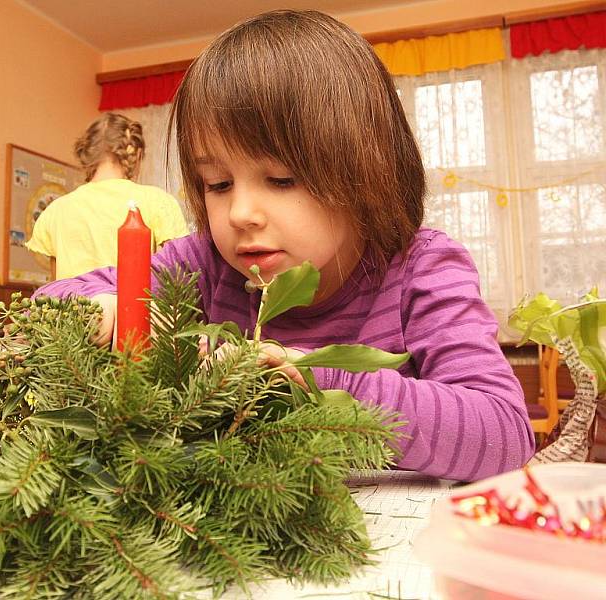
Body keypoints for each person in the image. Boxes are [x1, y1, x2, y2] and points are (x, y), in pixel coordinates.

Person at [34, 10, 534, 481]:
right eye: (217, 184)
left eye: (281, 178)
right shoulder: (204, 264)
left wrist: (315, 380)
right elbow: (46, 306)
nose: (239, 214)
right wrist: (100, 307)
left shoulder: (421, 268)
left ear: (368, 172)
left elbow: (504, 434)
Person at [25, 112, 189, 280]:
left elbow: (56, 289)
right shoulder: (158, 202)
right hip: (134, 306)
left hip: (77, 305)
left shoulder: (56, 211)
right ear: (137, 154)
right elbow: (174, 280)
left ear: (86, 154)